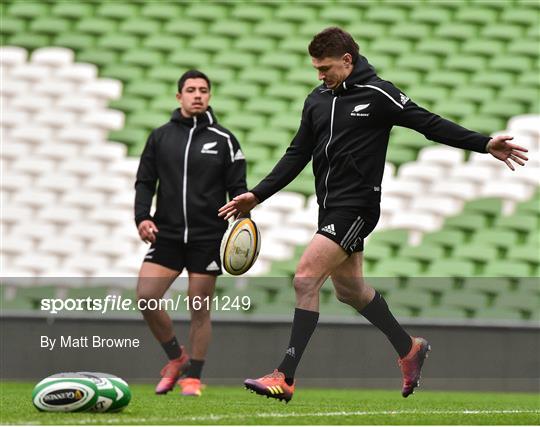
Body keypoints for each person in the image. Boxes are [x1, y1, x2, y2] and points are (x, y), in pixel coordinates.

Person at [219, 27, 528, 402]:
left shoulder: (379, 93)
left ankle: (284, 375)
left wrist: (482, 143)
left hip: (358, 207)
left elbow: (428, 123)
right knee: (350, 291)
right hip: (329, 207)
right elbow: (296, 154)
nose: (320, 75)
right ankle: (409, 348)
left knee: (305, 278)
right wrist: (257, 195)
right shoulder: (316, 100)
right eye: (316, 68)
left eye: (326, 67)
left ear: (348, 61)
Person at [135, 69, 248, 397]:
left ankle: (193, 378)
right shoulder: (160, 137)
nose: (197, 95)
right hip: (167, 234)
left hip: (207, 237)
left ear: (209, 96)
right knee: (145, 297)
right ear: (179, 96)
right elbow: (145, 182)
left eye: (203, 90)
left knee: (199, 307)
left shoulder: (225, 140)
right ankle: (176, 358)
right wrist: (142, 217)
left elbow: (238, 190)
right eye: (190, 90)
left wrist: (241, 227)